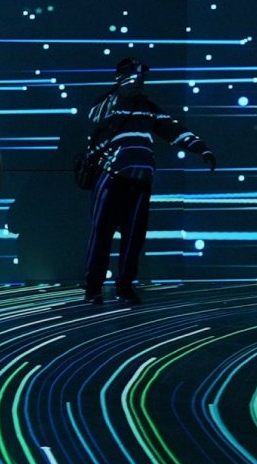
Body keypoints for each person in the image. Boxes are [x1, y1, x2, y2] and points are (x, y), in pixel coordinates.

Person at [81, 58, 214, 305]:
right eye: (134, 74)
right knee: (102, 233)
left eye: (142, 75)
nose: (139, 79)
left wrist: (201, 148)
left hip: (140, 178)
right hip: (110, 175)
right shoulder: (108, 103)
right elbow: (93, 119)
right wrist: (119, 92)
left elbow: (172, 129)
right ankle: (93, 288)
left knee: (134, 236)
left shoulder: (147, 106)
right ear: (121, 76)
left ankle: (124, 286)